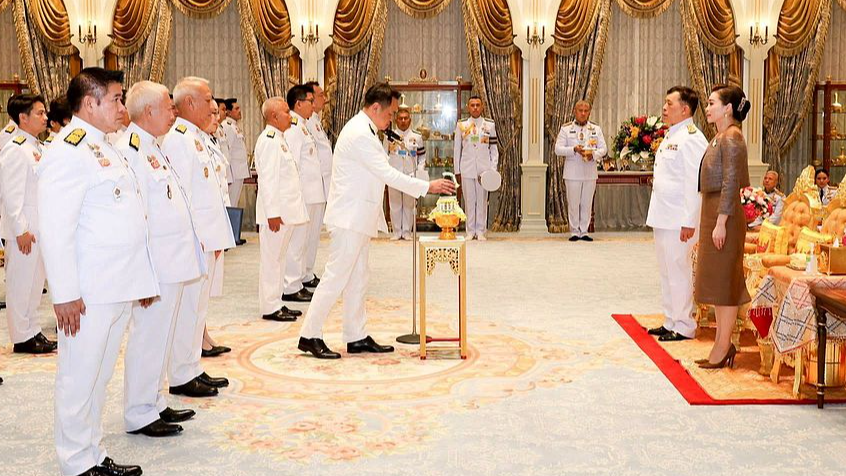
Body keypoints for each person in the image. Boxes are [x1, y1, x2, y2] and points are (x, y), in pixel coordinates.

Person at [39, 67, 156, 476]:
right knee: (79, 377)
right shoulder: (67, 152)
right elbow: (55, 229)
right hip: (87, 293)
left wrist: (140, 279)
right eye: (117, 99)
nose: (122, 107)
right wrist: (65, 294)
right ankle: (75, 462)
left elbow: (127, 219)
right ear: (90, 103)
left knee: (99, 376)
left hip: (116, 285)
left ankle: (92, 452)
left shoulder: (106, 147)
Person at [297, 82, 455, 359]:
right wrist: (427, 187)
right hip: (349, 217)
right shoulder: (360, 134)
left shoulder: (368, 130)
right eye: (390, 113)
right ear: (375, 108)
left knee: (359, 277)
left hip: (359, 215)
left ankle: (355, 335)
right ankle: (309, 335)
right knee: (336, 277)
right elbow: (388, 174)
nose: (392, 119)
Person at [116, 80, 205, 438]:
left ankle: (153, 400)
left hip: (172, 259)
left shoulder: (154, 145)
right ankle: (139, 411)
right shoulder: (131, 150)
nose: (174, 112)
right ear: (149, 111)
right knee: (148, 337)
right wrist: (143, 270)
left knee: (162, 335)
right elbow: (137, 216)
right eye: (169, 106)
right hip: (156, 262)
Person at [161, 76, 235, 398]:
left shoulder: (198, 137)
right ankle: (180, 374)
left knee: (198, 309)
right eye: (207, 101)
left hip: (207, 238)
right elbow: (181, 196)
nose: (213, 106)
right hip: (194, 241)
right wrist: (198, 238)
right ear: (189, 103)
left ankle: (192, 367)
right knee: (188, 308)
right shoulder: (178, 139)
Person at [694, 84, 753, 368]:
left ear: (728, 108)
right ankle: (721, 343)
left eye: (711, 103)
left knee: (725, 283)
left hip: (724, 216)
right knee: (717, 281)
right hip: (714, 212)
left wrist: (721, 222)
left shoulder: (732, 137)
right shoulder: (720, 136)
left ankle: (723, 346)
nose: (707, 108)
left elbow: (731, 183)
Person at [645, 86, 708, 342]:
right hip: (663, 216)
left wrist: (689, 221)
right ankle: (671, 319)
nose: (664, 108)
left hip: (679, 220)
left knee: (679, 270)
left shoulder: (692, 138)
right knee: (666, 270)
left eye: (669, 103)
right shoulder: (673, 135)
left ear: (685, 109)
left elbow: (695, 184)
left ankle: (683, 325)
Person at [0, 93, 56, 354]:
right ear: (22, 118)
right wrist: (20, 229)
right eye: (39, 113)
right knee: (21, 284)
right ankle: (22, 336)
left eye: (45, 112)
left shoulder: (37, 147)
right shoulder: (14, 149)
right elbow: (12, 195)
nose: (45, 117)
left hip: (39, 228)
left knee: (35, 285)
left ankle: (33, 330)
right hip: (23, 231)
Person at [255, 97, 308, 322]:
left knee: (279, 259)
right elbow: (268, 180)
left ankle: (276, 302)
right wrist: (273, 214)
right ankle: (269, 306)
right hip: (276, 215)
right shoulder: (268, 140)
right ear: (274, 117)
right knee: (271, 260)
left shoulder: (279, 138)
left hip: (285, 213)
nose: (290, 116)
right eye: (287, 112)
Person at [282, 85, 325, 302]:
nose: (313, 104)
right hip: (303, 195)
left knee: (307, 240)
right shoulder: (293, 127)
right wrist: (295, 195)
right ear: (298, 104)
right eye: (309, 101)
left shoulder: (304, 126)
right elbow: (293, 164)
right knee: (297, 241)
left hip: (313, 193)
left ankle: (301, 277)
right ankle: (291, 284)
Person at [554, 100, 607, 242]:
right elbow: (558, 149)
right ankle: (574, 231)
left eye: (586, 111)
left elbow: (603, 149)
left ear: (589, 112)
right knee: (573, 202)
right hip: (572, 172)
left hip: (589, 172)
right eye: (580, 110)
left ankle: (584, 231)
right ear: (575, 111)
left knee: (587, 202)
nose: (583, 113)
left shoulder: (596, 129)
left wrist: (594, 154)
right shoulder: (566, 129)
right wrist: (573, 150)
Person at [454, 96, 498, 240]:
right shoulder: (462, 125)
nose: (475, 108)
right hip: (467, 168)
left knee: (482, 200)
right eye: (472, 105)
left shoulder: (489, 125)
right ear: (468, 107)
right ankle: (470, 230)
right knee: (469, 200)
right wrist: (457, 171)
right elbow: (457, 149)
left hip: (484, 169)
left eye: (478, 105)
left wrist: (493, 169)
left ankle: (480, 230)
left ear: (482, 106)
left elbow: (493, 149)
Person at [384, 108, 426, 240]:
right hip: (394, 173)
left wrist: (419, 172)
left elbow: (422, 157)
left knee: (409, 204)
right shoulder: (389, 136)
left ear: (410, 120)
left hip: (410, 174)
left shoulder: (417, 137)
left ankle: (407, 231)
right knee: (395, 203)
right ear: (396, 120)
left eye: (405, 118)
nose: (403, 121)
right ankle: (397, 232)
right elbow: (383, 155)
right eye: (400, 118)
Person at [221, 97, 251, 209]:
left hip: (239, 171)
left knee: (234, 203)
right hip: (233, 172)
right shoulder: (227, 126)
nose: (239, 111)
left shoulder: (233, 126)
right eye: (236, 108)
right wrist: (228, 175)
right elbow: (226, 152)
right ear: (228, 112)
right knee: (231, 205)